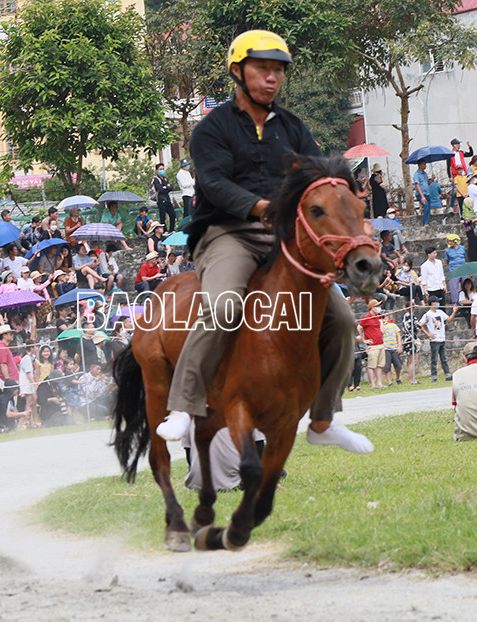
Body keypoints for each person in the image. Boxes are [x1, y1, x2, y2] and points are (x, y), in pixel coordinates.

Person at [155, 30, 372, 454]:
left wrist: (346, 196)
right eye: (262, 68)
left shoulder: (292, 127)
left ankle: (325, 419)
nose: (271, 78)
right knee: (223, 307)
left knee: (343, 321)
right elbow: (213, 184)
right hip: (227, 234)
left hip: (285, 239)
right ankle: (182, 408)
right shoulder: (211, 129)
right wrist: (259, 207)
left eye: (277, 70)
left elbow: (323, 172)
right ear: (238, 71)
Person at [419, 297, 456, 382]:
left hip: (442, 339)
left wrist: (454, 312)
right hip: (434, 340)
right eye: (436, 302)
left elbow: (449, 319)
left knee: (444, 359)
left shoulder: (440, 312)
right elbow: (420, 325)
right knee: (434, 359)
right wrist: (428, 334)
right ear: (432, 303)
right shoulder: (427, 314)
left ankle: (447, 375)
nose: (438, 303)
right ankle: (434, 376)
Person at [358, 299, 386, 389]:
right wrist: (364, 340)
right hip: (373, 345)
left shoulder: (377, 316)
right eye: (377, 306)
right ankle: (372, 384)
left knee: (379, 365)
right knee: (371, 366)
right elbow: (359, 327)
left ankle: (379, 383)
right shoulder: (367, 317)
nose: (379, 308)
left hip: (380, 343)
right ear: (372, 307)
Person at [152, 163, 176, 231]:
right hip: (160, 199)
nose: (162, 170)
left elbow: (171, 187)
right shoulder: (156, 179)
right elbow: (160, 189)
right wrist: (166, 187)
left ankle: (171, 229)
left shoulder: (165, 179)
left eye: (163, 169)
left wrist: (166, 188)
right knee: (162, 217)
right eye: (160, 169)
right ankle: (164, 230)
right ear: (157, 170)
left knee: (172, 214)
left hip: (167, 199)